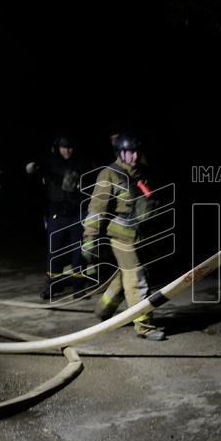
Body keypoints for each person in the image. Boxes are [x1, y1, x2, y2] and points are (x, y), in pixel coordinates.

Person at [82, 133, 166, 341]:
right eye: (130, 152)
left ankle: (103, 310)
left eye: (137, 152)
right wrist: (89, 240)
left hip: (141, 237)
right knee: (136, 279)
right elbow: (96, 210)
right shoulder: (109, 175)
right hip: (121, 239)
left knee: (124, 279)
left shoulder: (142, 174)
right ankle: (145, 326)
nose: (134, 156)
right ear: (121, 153)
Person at [26, 134, 89, 299]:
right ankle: (53, 287)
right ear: (57, 148)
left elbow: (85, 177)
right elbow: (36, 169)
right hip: (56, 215)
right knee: (55, 252)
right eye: (63, 147)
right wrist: (33, 167)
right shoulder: (49, 163)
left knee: (78, 251)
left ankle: (79, 287)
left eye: (69, 147)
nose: (67, 150)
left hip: (76, 214)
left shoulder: (80, 162)